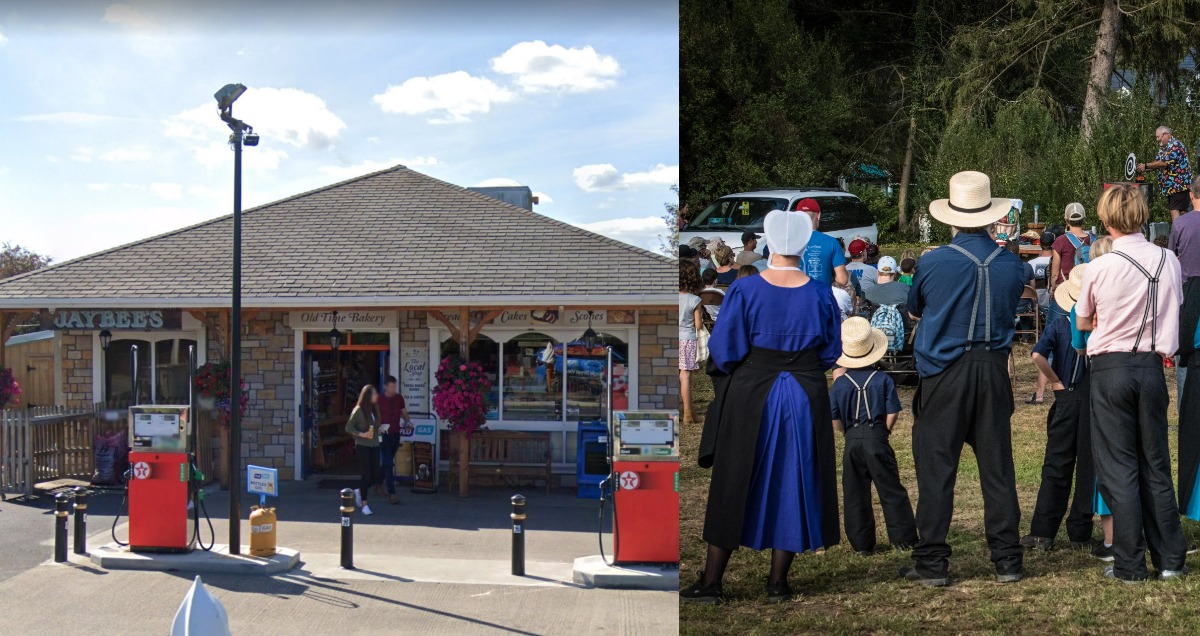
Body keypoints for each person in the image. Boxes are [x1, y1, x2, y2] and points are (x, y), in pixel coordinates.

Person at [682, 210, 841, 604]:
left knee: (734, 478)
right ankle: (777, 583)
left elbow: (724, 350)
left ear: (769, 242)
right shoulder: (821, 292)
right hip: (804, 392)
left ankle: (712, 582)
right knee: (794, 478)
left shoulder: (745, 290)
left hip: (753, 391)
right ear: (805, 245)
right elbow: (831, 351)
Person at [904, 171, 1026, 586]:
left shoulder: (934, 260)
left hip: (945, 371)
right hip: (992, 369)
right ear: (990, 217)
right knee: (998, 470)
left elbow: (915, 307)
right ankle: (1008, 559)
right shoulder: (1013, 265)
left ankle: (933, 563)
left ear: (952, 217)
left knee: (937, 469)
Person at [1075, 182, 1187, 582]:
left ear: (1105, 219)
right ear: (1141, 215)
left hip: (1111, 367)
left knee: (1118, 465)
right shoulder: (1168, 260)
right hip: (1152, 366)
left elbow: (1084, 320)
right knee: (1156, 463)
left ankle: (1129, 563)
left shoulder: (1099, 266)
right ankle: (1171, 559)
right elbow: (1173, 307)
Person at [1020, 264, 1095, 552]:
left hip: (1065, 398)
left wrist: (1054, 381)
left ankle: (1042, 531)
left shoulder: (1059, 325)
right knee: (1088, 466)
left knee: (1056, 465)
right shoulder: (1099, 324)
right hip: (1091, 399)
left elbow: (1037, 354)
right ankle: (1080, 530)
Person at [829, 317, 917, 556]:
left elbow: (834, 418)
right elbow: (892, 412)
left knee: (855, 492)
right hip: (876, 436)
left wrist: (847, 433)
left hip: (852, 440)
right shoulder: (883, 380)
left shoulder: (839, 385)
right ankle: (902, 538)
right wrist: (884, 430)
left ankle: (862, 544)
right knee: (890, 488)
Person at [1171, 176, 1200, 398]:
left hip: (1186, 296)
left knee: (1185, 357)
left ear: (1191, 195)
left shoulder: (1180, 224)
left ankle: (1185, 412)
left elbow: (1172, 260)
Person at [1137, 126, 1193, 221]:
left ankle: (1177, 234)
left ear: (1166, 134)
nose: (1157, 140)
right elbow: (1157, 164)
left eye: (1158, 137)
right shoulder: (1164, 148)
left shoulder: (1175, 145)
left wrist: (1145, 165)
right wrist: (1142, 169)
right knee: (1184, 211)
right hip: (1172, 188)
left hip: (1179, 185)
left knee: (1174, 210)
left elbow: (1163, 162)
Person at [792, 198, 849, 287]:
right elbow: (843, 279)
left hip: (794, 297)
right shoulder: (831, 242)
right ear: (818, 216)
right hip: (821, 297)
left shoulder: (787, 242)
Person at [346, 384, 382, 516]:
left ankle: (359, 491)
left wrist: (380, 429)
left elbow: (375, 426)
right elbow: (349, 428)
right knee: (366, 474)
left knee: (375, 474)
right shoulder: (358, 410)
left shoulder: (375, 409)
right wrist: (362, 434)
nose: (376, 396)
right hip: (362, 445)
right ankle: (364, 504)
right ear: (368, 396)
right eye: (374, 394)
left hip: (374, 444)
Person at [378, 376, 412, 505]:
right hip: (383, 434)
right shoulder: (379, 399)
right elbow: (373, 415)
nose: (393, 389)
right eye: (391, 387)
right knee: (389, 462)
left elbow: (403, 412)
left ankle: (377, 482)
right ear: (385, 386)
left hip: (395, 433)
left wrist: (408, 421)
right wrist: (377, 427)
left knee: (387, 461)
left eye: (394, 387)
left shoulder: (399, 398)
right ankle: (392, 493)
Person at [1049, 203, 1093, 300]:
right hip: (1088, 291)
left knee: (1053, 315)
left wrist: (1053, 288)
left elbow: (1055, 273)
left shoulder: (1061, 241)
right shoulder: (1093, 240)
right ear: (1083, 220)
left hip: (1066, 290)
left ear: (1066, 221)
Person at [679, 261, 705, 425]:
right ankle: (688, 413)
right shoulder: (694, 300)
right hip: (687, 338)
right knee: (685, 376)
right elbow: (698, 325)